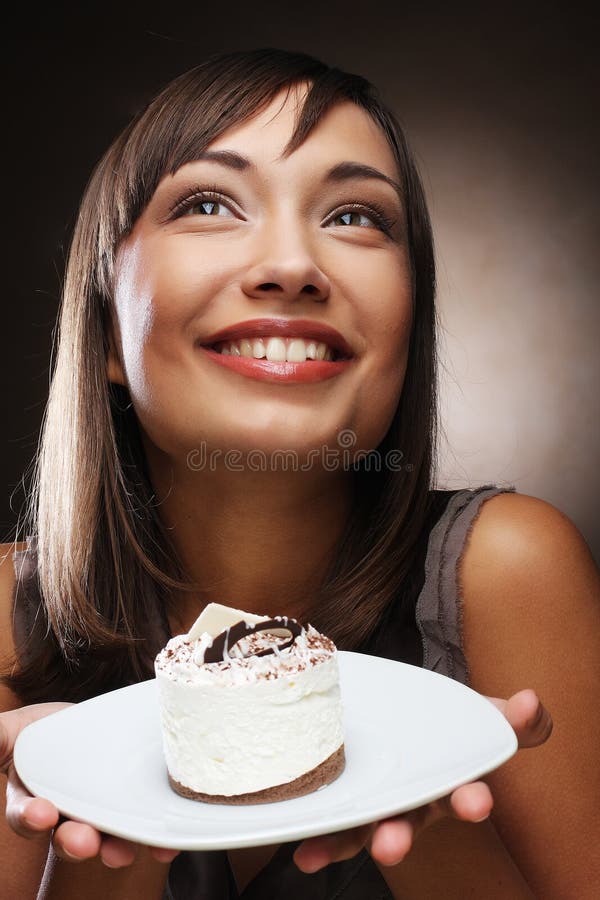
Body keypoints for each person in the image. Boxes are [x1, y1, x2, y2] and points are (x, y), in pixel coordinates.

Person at [0, 46, 597, 900]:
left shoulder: (508, 571)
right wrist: (101, 840)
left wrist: (430, 824)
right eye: (209, 203)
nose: (292, 266)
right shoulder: (8, 624)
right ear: (104, 337)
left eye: (355, 216)